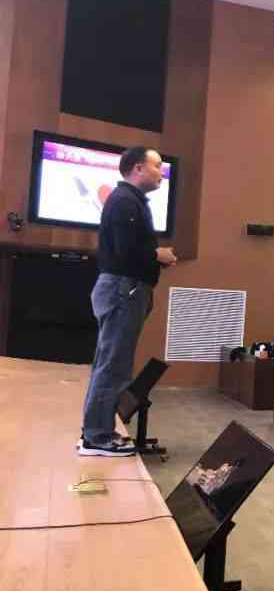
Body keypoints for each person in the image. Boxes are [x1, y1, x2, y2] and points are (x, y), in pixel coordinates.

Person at [80, 147, 177, 457]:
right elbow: (126, 251)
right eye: (157, 166)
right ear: (138, 168)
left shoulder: (128, 200)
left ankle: (95, 432)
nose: (162, 172)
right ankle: (97, 437)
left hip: (124, 289)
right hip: (124, 289)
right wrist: (157, 255)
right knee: (114, 365)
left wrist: (154, 258)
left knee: (110, 363)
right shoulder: (125, 201)